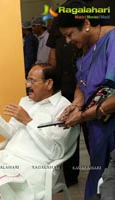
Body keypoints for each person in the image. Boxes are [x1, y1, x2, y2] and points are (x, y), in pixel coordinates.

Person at [0, 63, 79, 200]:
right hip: (8, 158)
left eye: (32, 81)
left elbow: (54, 152)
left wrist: (29, 121)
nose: (28, 85)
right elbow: (12, 133)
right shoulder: (25, 102)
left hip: (35, 166)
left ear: (49, 83)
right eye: (27, 80)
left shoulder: (64, 109)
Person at [55, 0, 115, 199]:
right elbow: (82, 84)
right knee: (98, 178)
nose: (68, 41)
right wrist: (75, 105)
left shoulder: (112, 41)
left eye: (70, 34)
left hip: (111, 126)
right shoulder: (85, 48)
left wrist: (84, 116)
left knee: (108, 183)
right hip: (96, 127)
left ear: (86, 24)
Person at [46, 19, 82, 187]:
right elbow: (52, 57)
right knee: (67, 132)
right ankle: (69, 175)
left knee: (90, 133)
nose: (68, 39)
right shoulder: (58, 24)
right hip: (66, 86)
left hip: (83, 86)